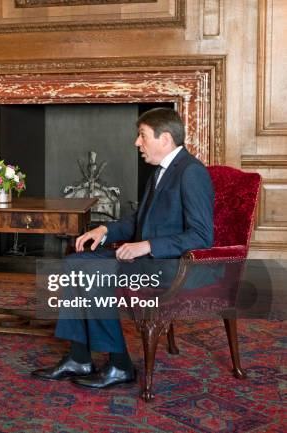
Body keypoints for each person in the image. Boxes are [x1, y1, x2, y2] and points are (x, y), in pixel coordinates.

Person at [32, 107, 214, 388]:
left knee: (92, 272)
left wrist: (147, 246)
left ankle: (120, 365)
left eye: (142, 135)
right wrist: (105, 229)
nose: (136, 143)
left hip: (168, 266)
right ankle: (79, 357)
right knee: (75, 262)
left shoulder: (191, 173)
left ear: (164, 139)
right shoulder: (161, 172)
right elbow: (140, 219)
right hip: (146, 258)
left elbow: (202, 236)